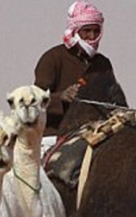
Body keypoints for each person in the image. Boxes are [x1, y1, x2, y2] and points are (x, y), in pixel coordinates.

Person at [34, 1, 117, 152]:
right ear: (75, 31)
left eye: (96, 31)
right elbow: (35, 102)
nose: (91, 36)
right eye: (87, 31)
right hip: (54, 137)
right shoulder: (52, 58)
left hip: (94, 137)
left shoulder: (103, 64)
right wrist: (61, 97)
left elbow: (112, 100)